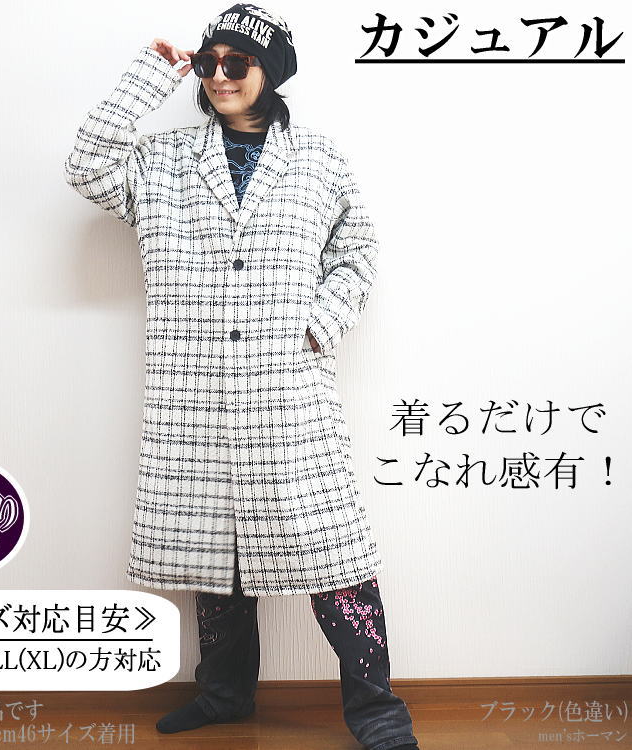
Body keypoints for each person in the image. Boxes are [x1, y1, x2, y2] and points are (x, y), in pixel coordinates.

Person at [64, 4, 420, 749]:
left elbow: (356, 253)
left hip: (288, 393)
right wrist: (149, 73)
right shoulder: (162, 160)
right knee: (213, 552)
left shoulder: (318, 159)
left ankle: (378, 712)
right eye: (209, 63)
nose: (219, 76)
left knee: (333, 551)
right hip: (192, 393)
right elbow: (86, 166)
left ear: (271, 71)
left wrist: (316, 327)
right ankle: (224, 694)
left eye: (237, 63)